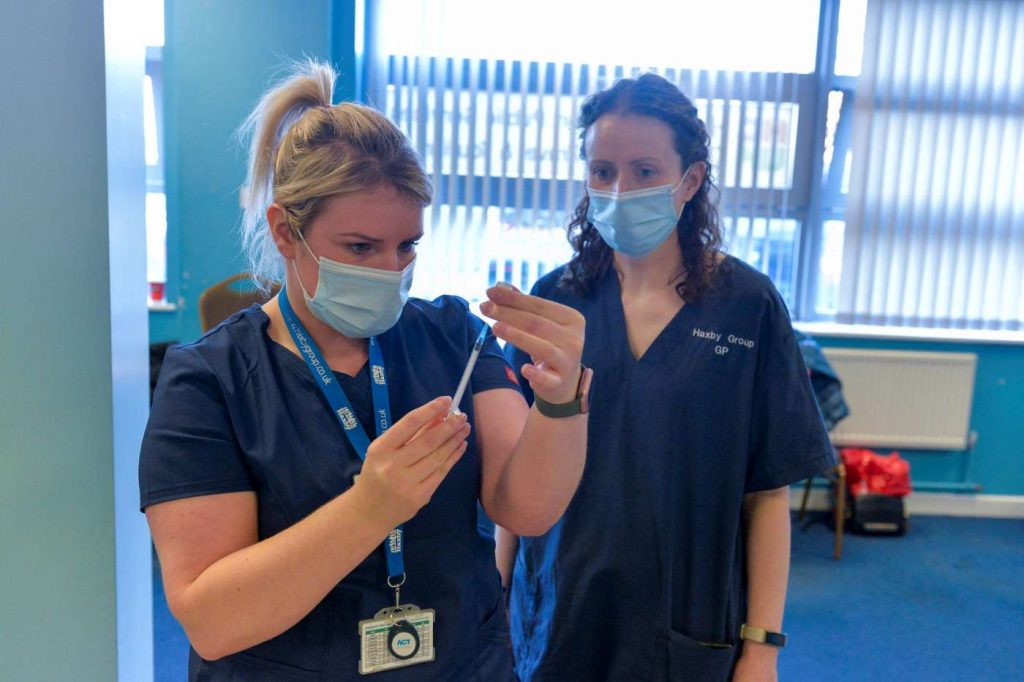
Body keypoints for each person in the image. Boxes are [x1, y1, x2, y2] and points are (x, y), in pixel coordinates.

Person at [139, 60, 589, 680]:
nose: (390, 270)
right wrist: (370, 509)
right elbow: (212, 622)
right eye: (360, 248)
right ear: (285, 231)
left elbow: (527, 508)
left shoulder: (450, 337)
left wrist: (562, 402)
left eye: (407, 246)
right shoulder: (209, 382)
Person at [499, 73, 835, 682]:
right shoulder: (554, 303)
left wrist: (761, 652)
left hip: (687, 627)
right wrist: (495, 612)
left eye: (645, 170)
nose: (620, 189)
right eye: (603, 171)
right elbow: (512, 491)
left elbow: (768, 496)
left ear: (691, 180)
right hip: (558, 618)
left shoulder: (748, 305)